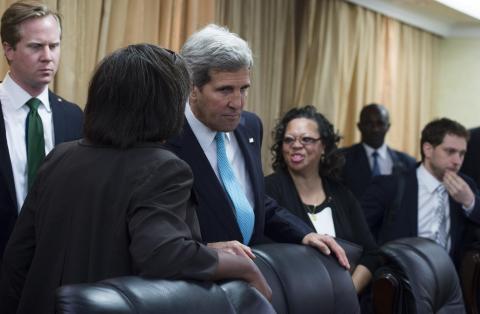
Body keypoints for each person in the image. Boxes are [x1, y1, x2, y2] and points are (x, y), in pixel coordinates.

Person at [0, 44, 271, 314]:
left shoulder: (59, 156)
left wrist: (199, 248)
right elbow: (162, 255)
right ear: (165, 106)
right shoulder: (163, 168)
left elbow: (17, 258)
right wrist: (242, 266)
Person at [166, 24, 349, 268]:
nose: (238, 103)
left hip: (252, 272)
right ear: (192, 87)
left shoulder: (250, 126)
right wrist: (204, 249)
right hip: (199, 280)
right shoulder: (167, 136)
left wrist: (303, 233)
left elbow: (251, 199)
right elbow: (159, 231)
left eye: (244, 89)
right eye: (225, 90)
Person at [0, 1, 83, 260]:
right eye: (36, 46)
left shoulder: (73, 117)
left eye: (54, 46)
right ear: (8, 49)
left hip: (54, 263)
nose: (48, 56)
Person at [265, 105, 379, 294]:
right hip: (291, 300)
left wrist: (348, 292)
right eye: (288, 140)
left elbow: (372, 254)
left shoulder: (342, 194)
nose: (296, 145)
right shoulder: (267, 191)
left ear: (323, 146)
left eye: (306, 139)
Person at [362, 118, 480, 266]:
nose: (457, 161)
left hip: (449, 279)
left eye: (462, 154)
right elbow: (360, 234)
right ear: (428, 149)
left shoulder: (466, 186)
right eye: (450, 151)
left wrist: (470, 202)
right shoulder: (390, 186)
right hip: (401, 278)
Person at [340, 103, 416, 200]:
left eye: (380, 123)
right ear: (359, 126)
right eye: (369, 123)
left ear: (388, 127)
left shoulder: (408, 163)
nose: (375, 129)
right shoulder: (342, 158)